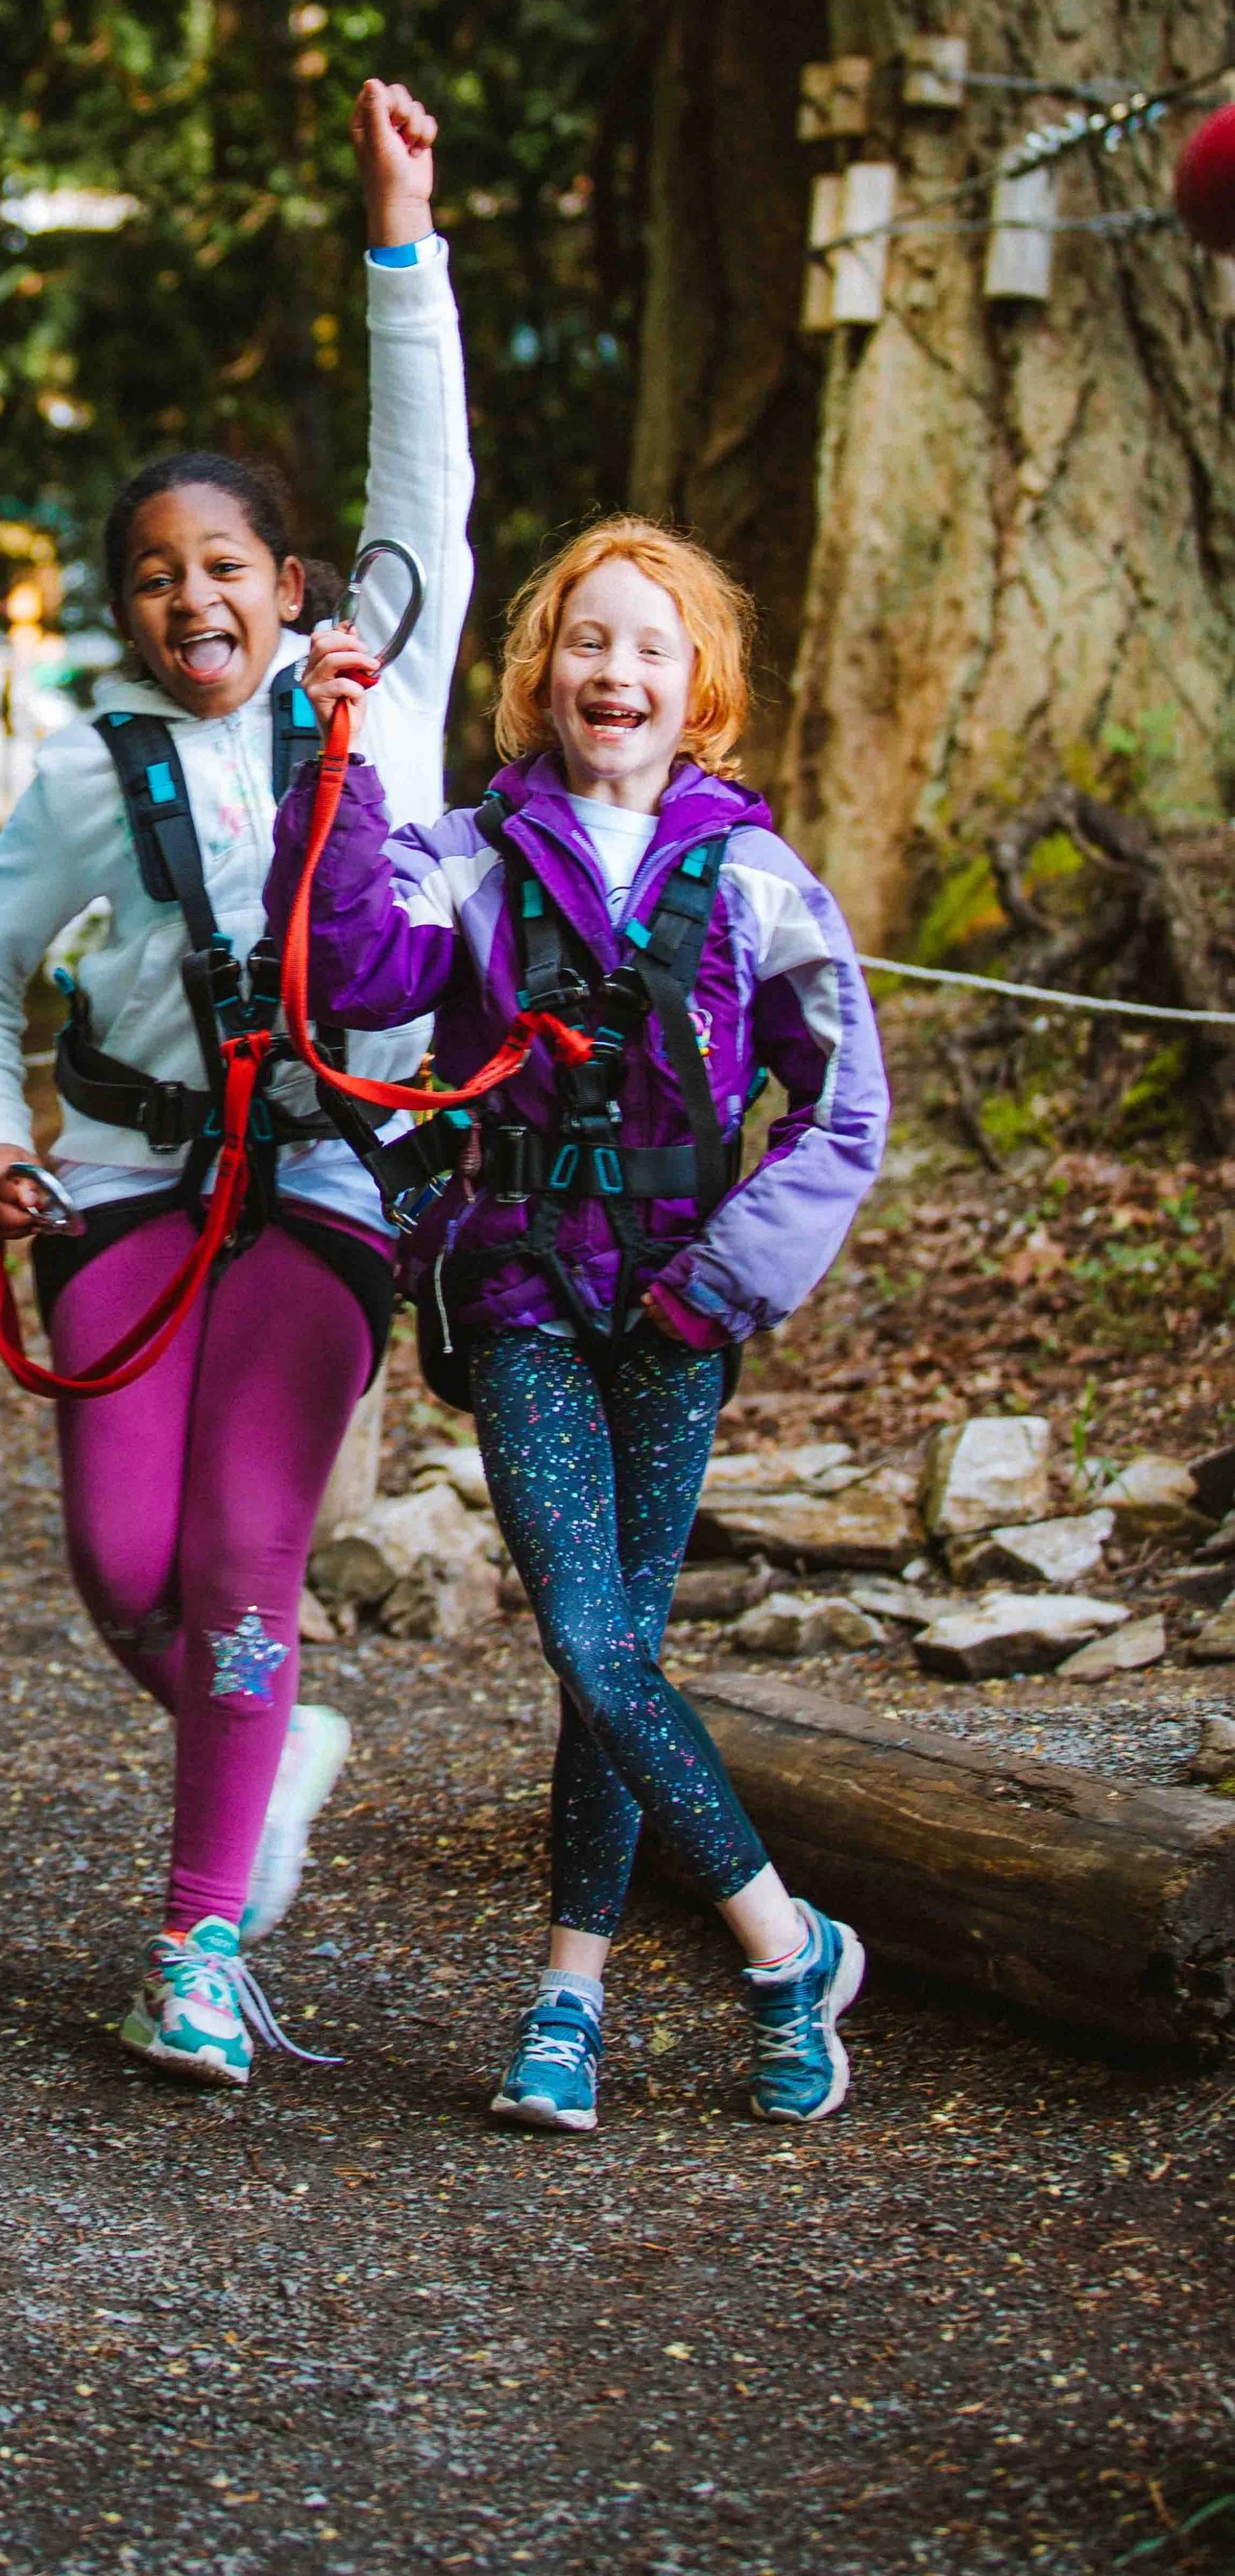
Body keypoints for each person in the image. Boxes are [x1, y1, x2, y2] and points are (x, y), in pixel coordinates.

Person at [0, 83, 472, 2089]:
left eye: (224, 564)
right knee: (121, 1568)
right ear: (122, 607)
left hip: (320, 1188)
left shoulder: (378, 694)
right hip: (125, 1190)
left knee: (243, 1558)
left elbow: (428, 484)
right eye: (152, 576)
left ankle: (197, 1939)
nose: (192, 601)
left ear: (290, 578)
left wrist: (397, 236)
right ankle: (269, 1737)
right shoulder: (92, 768)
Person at [269, 517, 889, 2131]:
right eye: (587, 641)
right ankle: (790, 1947)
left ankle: (570, 1997)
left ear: (701, 688)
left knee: (619, 1653)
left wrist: (723, 1281)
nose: (617, 670)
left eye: (651, 647)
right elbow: (348, 966)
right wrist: (332, 764)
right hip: (526, 1286)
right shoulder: (472, 853)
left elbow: (843, 1108)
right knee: (588, 1634)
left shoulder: (759, 880)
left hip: (682, 1299)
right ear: (541, 673)